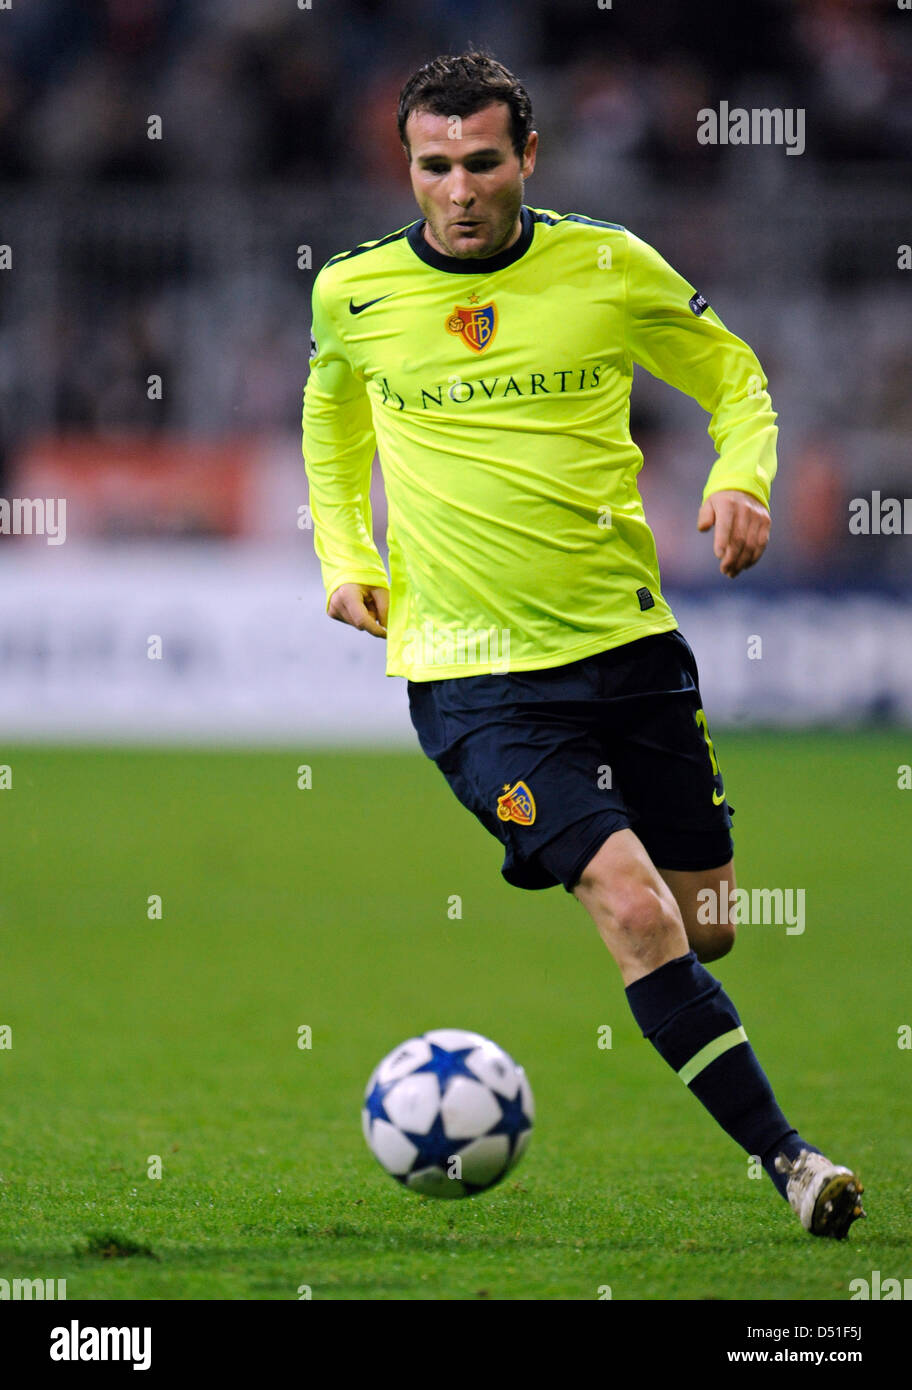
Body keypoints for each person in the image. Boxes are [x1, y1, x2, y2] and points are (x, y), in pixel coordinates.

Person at [302, 50, 864, 1238]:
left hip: (629, 648)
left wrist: (743, 478)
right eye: (433, 166)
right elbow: (331, 412)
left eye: (482, 162)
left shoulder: (606, 266)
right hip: (473, 674)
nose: (457, 190)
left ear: (529, 157)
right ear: (407, 164)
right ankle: (796, 1163)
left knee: (707, 922)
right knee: (637, 910)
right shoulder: (352, 292)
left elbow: (735, 376)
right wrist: (345, 556)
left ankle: (616, 890)